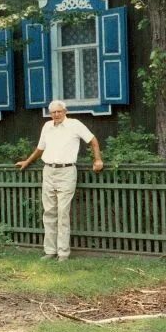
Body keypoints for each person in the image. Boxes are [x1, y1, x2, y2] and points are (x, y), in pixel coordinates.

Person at [14, 100, 104, 262]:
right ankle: (50, 251)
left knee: (63, 213)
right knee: (49, 212)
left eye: (59, 111)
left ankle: (63, 253)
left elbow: (93, 141)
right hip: (48, 171)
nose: (56, 115)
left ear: (65, 111)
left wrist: (97, 160)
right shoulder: (47, 127)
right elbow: (40, 149)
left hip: (67, 171)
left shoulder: (75, 125)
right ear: (50, 114)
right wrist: (27, 162)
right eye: (53, 112)